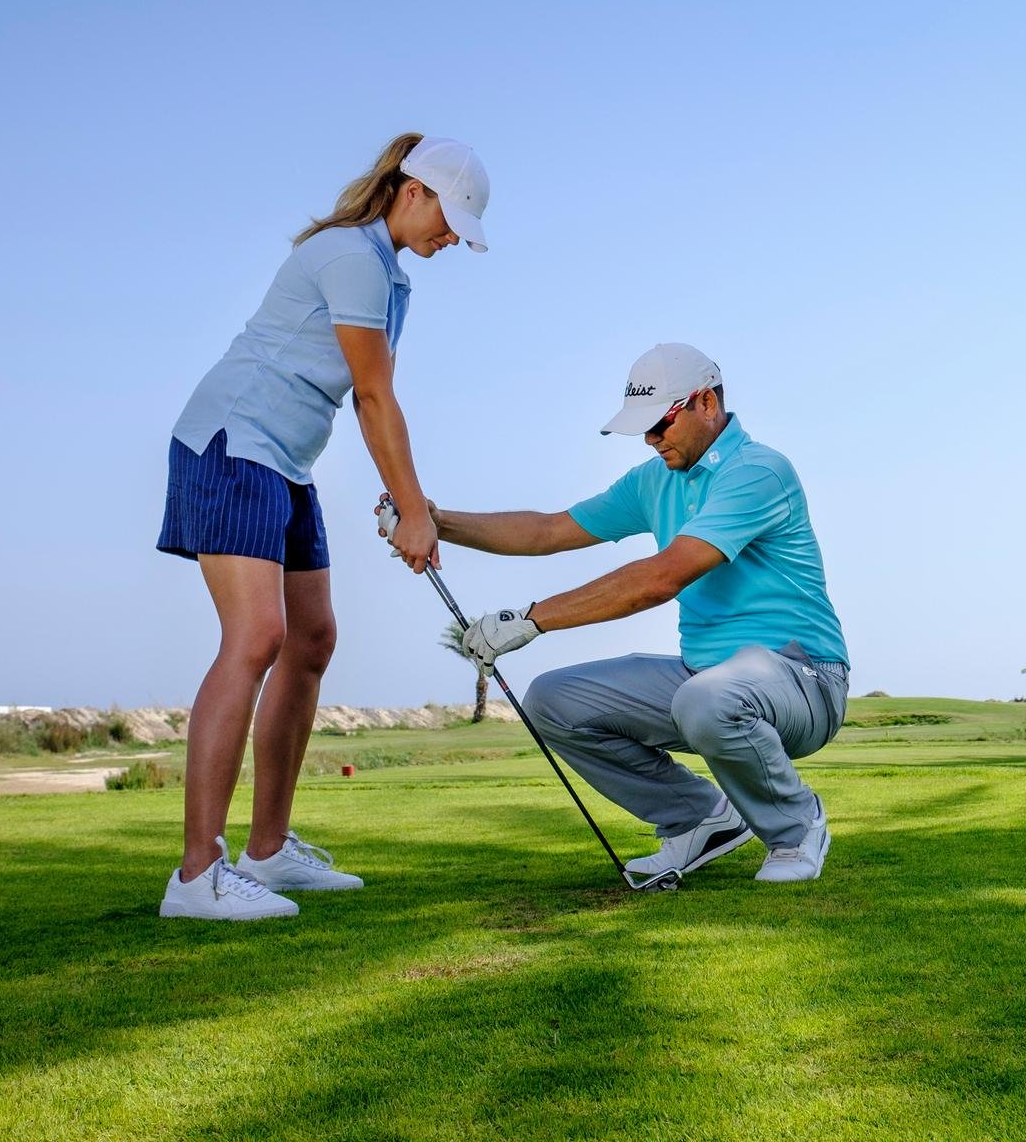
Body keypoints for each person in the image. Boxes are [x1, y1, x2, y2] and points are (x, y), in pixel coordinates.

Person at [154, 132, 489, 921]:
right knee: (256, 639)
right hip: (233, 442)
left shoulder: (389, 278)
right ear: (413, 190)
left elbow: (373, 398)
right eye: (450, 219)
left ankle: (267, 853)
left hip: (287, 462)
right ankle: (196, 876)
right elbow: (373, 399)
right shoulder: (349, 254)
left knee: (311, 641)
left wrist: (405, 495)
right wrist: (411, 507)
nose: (451, 238)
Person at [404, 344, 849, 884]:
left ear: (705, 403)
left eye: (660, 424)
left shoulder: (758, 471)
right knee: (552, 700)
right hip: (703, 679)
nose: (650, 440)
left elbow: (662, 578)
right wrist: (438, 522)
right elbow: (550, 531)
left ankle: (796, 828)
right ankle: (698, 818)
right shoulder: (654, 479)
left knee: (707, 698)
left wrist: (532, 617)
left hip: (804, 679)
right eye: (643, 429)